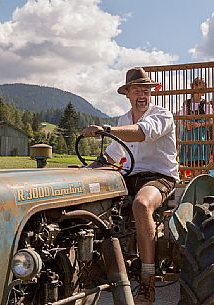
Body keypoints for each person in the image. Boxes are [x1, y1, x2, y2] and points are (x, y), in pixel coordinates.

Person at [81, 67, 178, 305]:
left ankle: (147, 281)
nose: (142, 95)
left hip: (159, 177)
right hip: (129, 176)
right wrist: (86, 172)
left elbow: (141, 134)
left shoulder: (162, 115)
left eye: (146, 90)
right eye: (137, 90)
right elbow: (112, 154)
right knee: (91, 197)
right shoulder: (124, 119)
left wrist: (106, 130)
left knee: (142, 204)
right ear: (128, 94)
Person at [178, 77, 213, 176]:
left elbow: (210, 121)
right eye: (201, 87)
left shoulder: (205, 104)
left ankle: (197, 180)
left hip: (200, 136)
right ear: (194, 87)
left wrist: (199, 124)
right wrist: (186, 124)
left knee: (199, 162)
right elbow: (182, 119)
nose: (203, 90)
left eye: (204, 87)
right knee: (190, 163)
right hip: (189, 136)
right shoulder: (187, 103)